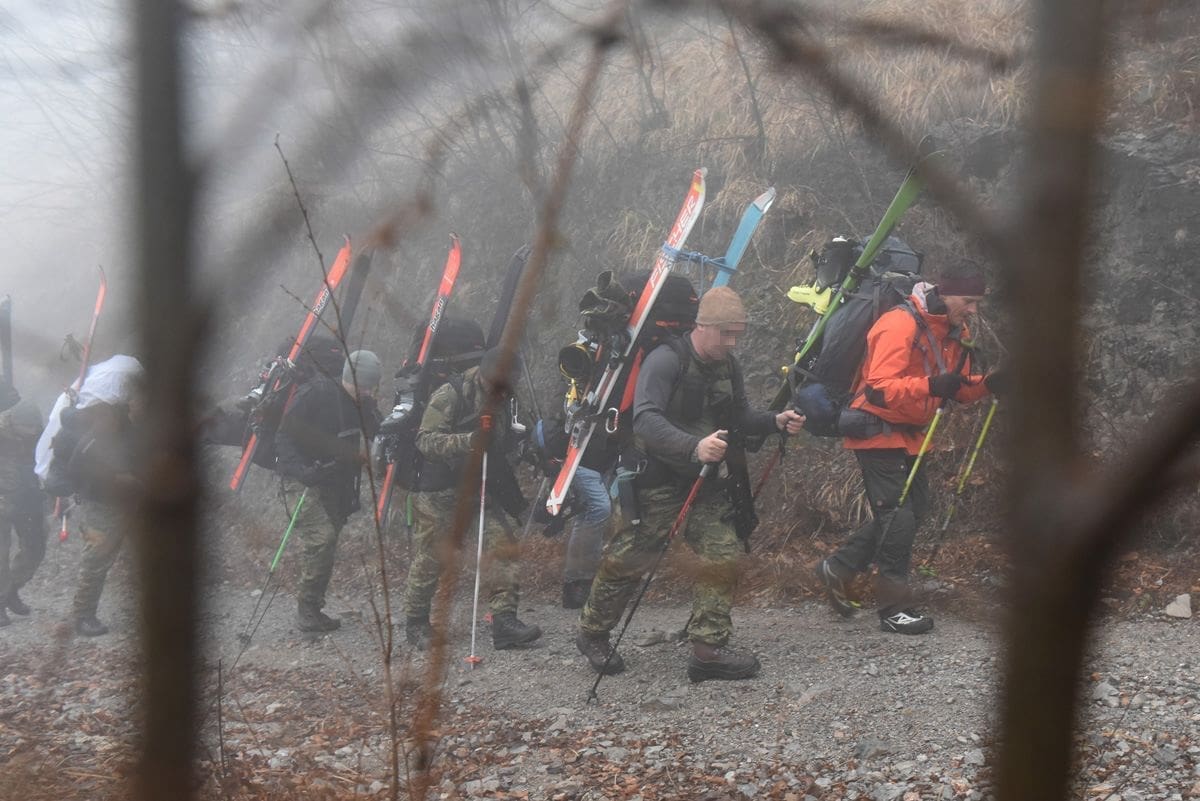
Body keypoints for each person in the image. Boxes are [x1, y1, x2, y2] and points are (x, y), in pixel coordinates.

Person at [576, 287, 805, 682]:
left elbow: (739, 416)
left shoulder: (727, 366)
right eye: (726, 334)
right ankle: (592, 632)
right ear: (704, 327)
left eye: (737, 335)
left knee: (722, 552)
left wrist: (774, 421)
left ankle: (707, 648)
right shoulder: (667, 360)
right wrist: (694, 446)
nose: (732, 343)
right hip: (656, 479)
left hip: (706, 481)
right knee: (629, 559)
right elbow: (646, 419)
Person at [814, 262, 1001, 634]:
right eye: (969, 300)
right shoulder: (898, 324)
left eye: (978, 302)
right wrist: (932, 386)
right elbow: (879, 388)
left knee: (914, 510)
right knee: (898, 516)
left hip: (910, 432)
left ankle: (838, 567)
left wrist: (990, 383)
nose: (973, 310)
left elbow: (956, 388)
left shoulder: (952, 330)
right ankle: (893, 609)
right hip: (875, 427)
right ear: (945, 292)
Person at [403, 347, 541, 651]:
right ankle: (415, 623)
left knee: (503, 546)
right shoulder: (450, 394)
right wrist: (467, 441)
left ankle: (504, 622)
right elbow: (424, 440)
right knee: (432, 557)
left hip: (480, 489)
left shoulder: (507, 398)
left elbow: (506, 440)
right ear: (483, 373)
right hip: (440, 492)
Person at [275, 350, 382, 633]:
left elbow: (376, 431)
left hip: (333, 480)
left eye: (371, 387)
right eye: (363, 386)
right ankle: (307, 610)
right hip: (301, 478)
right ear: (349, 378)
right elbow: (283, 437)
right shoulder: (316, 393)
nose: (367, 392)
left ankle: (313, 607)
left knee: (329, 539)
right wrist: (302, 472)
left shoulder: (364, 403)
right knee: (322, 539)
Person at [64, 359, 147, 636]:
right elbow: (76, 469)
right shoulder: (102, 429)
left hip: (133, 504)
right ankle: (83, 616)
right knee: (96, 560)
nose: (141, 405)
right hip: (100, 506)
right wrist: (115, 478)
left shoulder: (134, 430)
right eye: (137, 400)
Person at [0, 385, 46, 626]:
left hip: (28, 497)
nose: (32, 434)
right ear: (13, 423)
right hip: (2, 499)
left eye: (35, 430)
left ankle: (10, 592)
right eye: (26, 430)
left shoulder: (40, 433)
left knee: (36, 548)